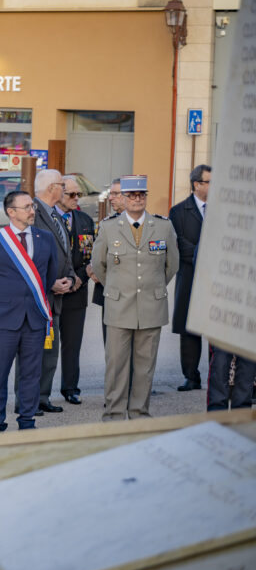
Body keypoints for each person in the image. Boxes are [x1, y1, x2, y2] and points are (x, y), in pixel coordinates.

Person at [92, 176, 178, 421]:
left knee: (145, 366)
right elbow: (99, 265)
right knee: (116, 366)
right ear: (123, 198)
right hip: (119, 306)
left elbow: (172, 265)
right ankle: (115, 414)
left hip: (152, 306)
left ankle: (139, 413)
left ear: (146, 197)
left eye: (141, 195)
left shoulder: (163, 226)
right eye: (131, 195)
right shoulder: (109, 227)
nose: (137, 199)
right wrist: (117, 287)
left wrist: (154, 287)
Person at [0, 191, 60, 432]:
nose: (32, 211)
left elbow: (50, 275)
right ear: (11, 212)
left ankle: (27, 419)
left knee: (31, 374)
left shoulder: (45, 238)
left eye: (32, 206)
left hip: (34, 318)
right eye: (26, 207)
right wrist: (1, 303)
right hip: (3, 320)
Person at [30, 169, 76, 415]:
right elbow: (29, 258)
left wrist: (69, 277)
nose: (65, 189)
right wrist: (50, 283)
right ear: (51, 189)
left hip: (56, 298)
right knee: (33, 352)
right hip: (39, 298)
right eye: (62, 185)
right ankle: (28, 399)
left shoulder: (56, 216)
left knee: (50, 351)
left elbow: (64, 253)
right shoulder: (33, 213)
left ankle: (42, 396)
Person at [169, 164, 211, 391]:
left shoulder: (221, 209)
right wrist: (204, 255)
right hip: (190, 275)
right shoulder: (178, 211)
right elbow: (178, 244)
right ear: (197, 184)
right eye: (209, 182)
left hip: (216, 278)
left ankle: (222, 376)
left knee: (217, 328)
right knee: (189, 328)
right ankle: (191, 376)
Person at [55, 175, 95, 405]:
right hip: (53, 291)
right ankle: (40, 393)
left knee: (72, 345)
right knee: (46, 347)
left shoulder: (85, 220)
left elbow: (89, 255)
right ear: (59, 193)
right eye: (71, 194)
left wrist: (78, 279)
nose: (76, 198)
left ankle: (70, 388)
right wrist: (58, 281)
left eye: (78, 194)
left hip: (76, 291)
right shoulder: (47, 218)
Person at [89, 178, 125, 343]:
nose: (111, 198)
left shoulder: (147, 224)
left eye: (116, 194)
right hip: (109, 292)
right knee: (111, 345)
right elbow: (98, 257)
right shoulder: (105, 224)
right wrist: (95, 270)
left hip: (135, 294)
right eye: (111, 194)